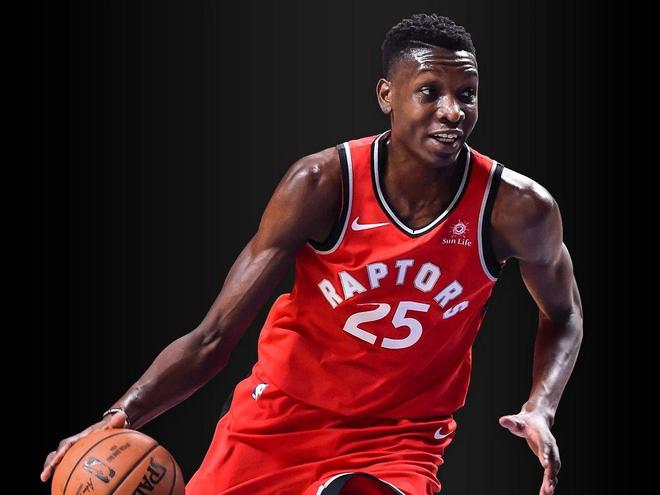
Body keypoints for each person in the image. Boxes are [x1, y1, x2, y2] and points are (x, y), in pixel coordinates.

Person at [40, 13, 583, 495]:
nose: (452, 111)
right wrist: (121, 414)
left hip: (399, 437)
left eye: (467, 94)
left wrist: (541, 407)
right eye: (429, 91)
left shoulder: (516, 208)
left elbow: (563, 314)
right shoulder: (323, 184)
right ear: (387, 95)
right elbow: (213, 337)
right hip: (279, 417)